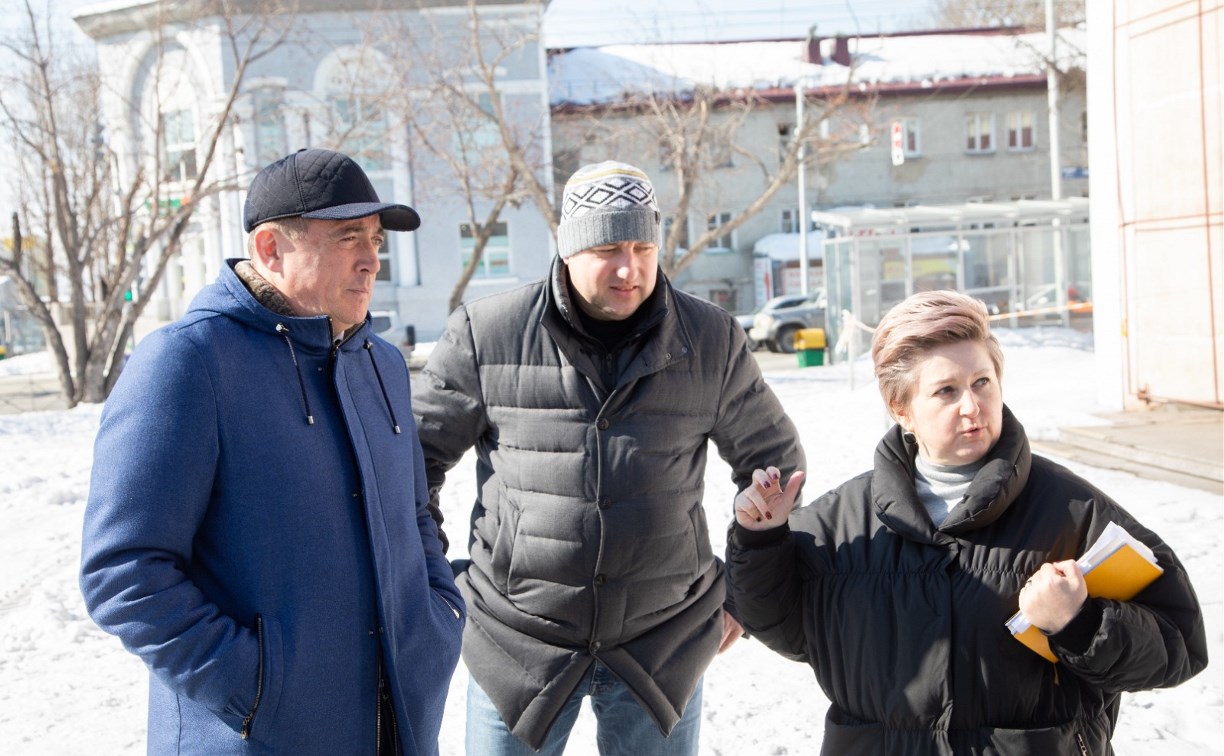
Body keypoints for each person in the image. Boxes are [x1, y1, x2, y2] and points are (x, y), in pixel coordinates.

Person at [411, 160, 805, 754]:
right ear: (569, 249)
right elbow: (412, 464)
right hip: (517, 645)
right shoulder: (485, 334)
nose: (631, 268)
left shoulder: (711, 339)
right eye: (609, 248)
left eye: (644, 246)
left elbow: (775, 466)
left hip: (663, 643)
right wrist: (431, 577)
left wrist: (748, 588)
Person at [80, 148, 465, 754]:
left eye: (374, 239)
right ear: (270, 250)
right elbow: (124, 573)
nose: (371, 260)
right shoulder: (187, 363)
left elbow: (415, 514)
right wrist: (258, 691)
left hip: (398, 726)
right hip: (257, 737)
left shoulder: (383, 363)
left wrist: (437, 620)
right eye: (347, 238)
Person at [726, 289, 1207, 754]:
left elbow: (1179, 646)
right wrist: (762, 541)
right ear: (901, 408)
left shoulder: (1073, 511)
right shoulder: (839, 523)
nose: (972, 406)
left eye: (982, 383)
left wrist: (1080, 624)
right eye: (945, 391)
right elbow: (781, 625)